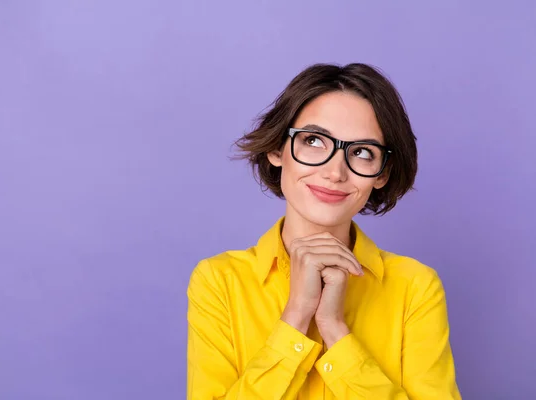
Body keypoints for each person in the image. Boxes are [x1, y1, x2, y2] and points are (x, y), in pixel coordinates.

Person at [186, 63, 461, 399]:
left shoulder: (415, 288)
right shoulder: (219, 282)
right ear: (277, 148)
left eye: (361, 152)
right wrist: (296, 317)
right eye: (314, 140)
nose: (335, 172)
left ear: (382, 174)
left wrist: (336, 332)